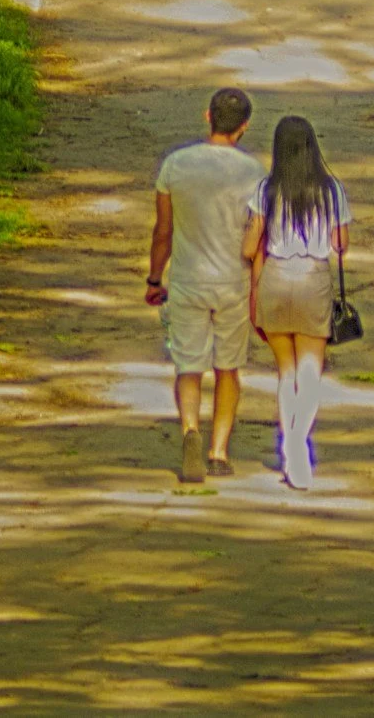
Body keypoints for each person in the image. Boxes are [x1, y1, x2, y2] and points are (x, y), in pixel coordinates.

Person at [145, 86, 265, 484]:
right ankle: (218, 452)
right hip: (233, 282)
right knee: (228, 368)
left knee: (189, 366)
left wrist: (154, 278)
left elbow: (163, 231)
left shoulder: (175, 165)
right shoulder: (254, 174)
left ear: (207, 116)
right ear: (245, 126)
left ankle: (190, 430)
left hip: (187, 279)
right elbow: (259, 237)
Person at [245, 114, 352, 489]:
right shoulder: (332, 190)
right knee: (309, 374)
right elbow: (340, 244)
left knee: (286, 373)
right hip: (313, 280)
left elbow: (249, 246)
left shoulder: (265, 189)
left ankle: (288, 444)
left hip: (275, 277)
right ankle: (296, 443)